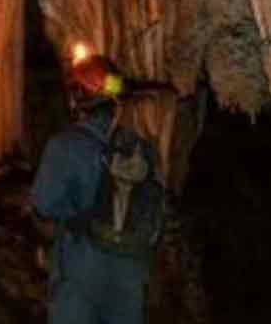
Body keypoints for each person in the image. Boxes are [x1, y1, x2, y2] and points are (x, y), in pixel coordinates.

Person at [30, 50, 169, 324]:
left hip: (81, 272)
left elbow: (43, 203)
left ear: (77, 98)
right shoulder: (140, 149)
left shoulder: (65, 146)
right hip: (129, 271)